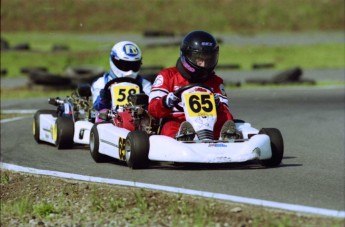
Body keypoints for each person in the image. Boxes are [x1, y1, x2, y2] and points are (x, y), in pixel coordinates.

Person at [148, 30, 238, 141]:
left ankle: (228, 138)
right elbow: (153, 109)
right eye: (199, 60)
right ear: (186, 56)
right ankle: (183, 137)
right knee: (169, 127)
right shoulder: (168, 76)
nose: (204, 64)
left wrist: (218, 104)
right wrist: (166, 101)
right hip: (180, 121)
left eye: (208, 60)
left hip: (209, 124)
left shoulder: (215, 81)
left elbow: (225, 110)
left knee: (226, 117)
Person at [91, 41, 151, 112]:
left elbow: (151, 109)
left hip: (137, 121)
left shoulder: (146, 85)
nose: (130, 71)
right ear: (114, 60)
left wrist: (144, 98)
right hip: (109, 121)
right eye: (125, 65)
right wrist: (104, 99)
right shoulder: (101, 83)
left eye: (134, 65)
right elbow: (97, 109)